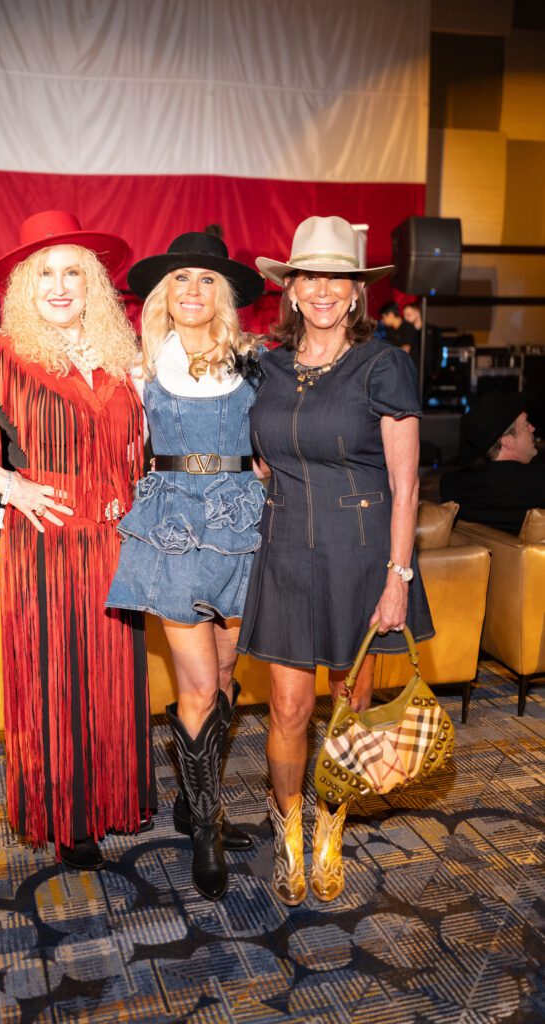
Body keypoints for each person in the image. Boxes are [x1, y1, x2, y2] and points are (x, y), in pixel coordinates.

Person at [0, 210, 155, 870]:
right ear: (23, 286)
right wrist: (6, 484)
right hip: (46, 542)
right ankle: (68, 817)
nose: (59, 284)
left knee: (112, 678)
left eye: (73, 271)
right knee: (57, 679)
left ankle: (111, 799)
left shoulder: (122, 355)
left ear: (94, 284)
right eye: (43, 272)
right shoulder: (1, 356)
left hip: (114, 540)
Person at [237, 216, 434, 906]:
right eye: (309, 277)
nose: (322, 290)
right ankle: (290, 831)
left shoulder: (382, 364)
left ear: (356, 294)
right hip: (286, 549)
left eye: (338, 280)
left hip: (359, 556)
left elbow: (405, 484)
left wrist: (397, 579)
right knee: (288, 709)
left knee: (349, 704)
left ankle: (332, 827)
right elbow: (260, 456)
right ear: (289, 289)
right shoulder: (268, 364)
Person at [107, 232, 265, 901]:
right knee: (198, 685)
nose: (192, 292)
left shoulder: (257, 365)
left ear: (222, 295)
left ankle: (191, 801)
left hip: (243, 526)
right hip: (171, 530)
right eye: (180, 281)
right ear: (161, 297)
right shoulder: (138, 367)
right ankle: (204, 824)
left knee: (227, 674)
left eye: (205, 280)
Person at [440, 390, 544, 535]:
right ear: (508, 441)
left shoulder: (454, 487)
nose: (533, 428)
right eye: (526, 425)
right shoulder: (536, 483)